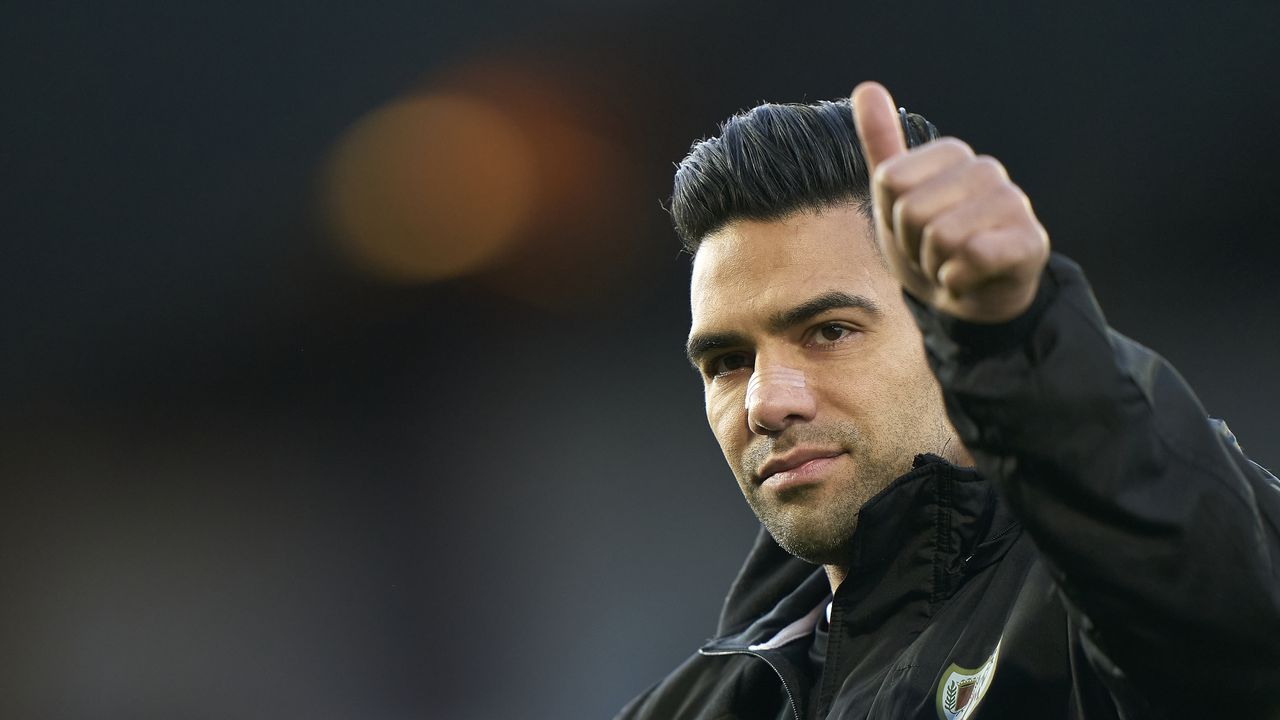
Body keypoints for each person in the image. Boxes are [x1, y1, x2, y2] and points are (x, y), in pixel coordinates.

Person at [615, 82, 1280, 719]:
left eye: (829, 332)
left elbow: (1229, 627)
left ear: (948, 333)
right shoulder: (700, 705)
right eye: (728, 362)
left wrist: (1023, 336)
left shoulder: (1103, 608)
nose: (766, 402)